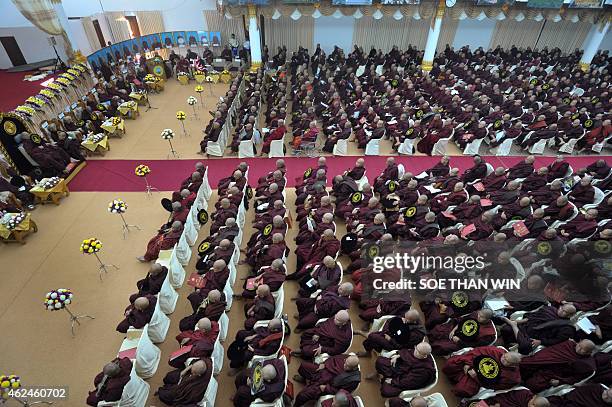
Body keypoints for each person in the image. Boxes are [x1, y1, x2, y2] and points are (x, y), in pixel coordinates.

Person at [519, 339, 596, 393]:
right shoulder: (569, 344)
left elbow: (575, 378)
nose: (578, 349)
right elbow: (551, 351)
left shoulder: (586, 365)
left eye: (583, 349)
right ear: (579, 342)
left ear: (589, 352)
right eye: (579, 345)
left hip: (554, 373)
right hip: (543, 361)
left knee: (533, 384)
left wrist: (560, 382)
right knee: (523, 364)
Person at [443, 346, 522, 397]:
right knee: (451, 364)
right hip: (471, 365)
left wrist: (476, 377)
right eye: (504, 356)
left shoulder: (513, 377)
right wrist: (468, 364)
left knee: (463, 389)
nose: (503, 359)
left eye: (507, 361)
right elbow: (476, 352)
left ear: (513, 365)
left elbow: (494, 386)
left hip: (478, 380)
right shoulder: (496, 351)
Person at [370, 342, 437, 398]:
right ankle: (385, 377)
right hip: (401, 368)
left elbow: (409, 382)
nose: (415, 351)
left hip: (404, 379)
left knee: (386, 390)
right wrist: (399, 355)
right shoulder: (417, 351)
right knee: (380, 361)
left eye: (418, 352)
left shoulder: (424, 370)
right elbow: (408, 352)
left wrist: (392, 381)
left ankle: (387, 378)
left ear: (425, 356)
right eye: (416, 348)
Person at [293, 354, 361, 406]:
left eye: (347, 366)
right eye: (345, 362)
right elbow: (333, 358)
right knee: (303, 366)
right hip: (322, 371)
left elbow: (342, 392)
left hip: (325, 385)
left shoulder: (353, 380)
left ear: (354, 368)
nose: (344, 365)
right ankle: (304, 379)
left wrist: (326, 388)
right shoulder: (346, 357)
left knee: (302, 395)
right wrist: (324, 364)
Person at [359, 309, 426, 354]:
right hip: (391, 334)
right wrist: (387, 330)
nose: (404, 319)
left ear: (414, 321)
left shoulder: (415, 334)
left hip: (395, 345)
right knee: (374, 337)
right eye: (404, 317)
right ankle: (371, 350)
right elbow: (390, 320)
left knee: (372, 336)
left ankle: (371, 349)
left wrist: (390, 339)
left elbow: (401, 346)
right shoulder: (409, 317)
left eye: (406, 319)